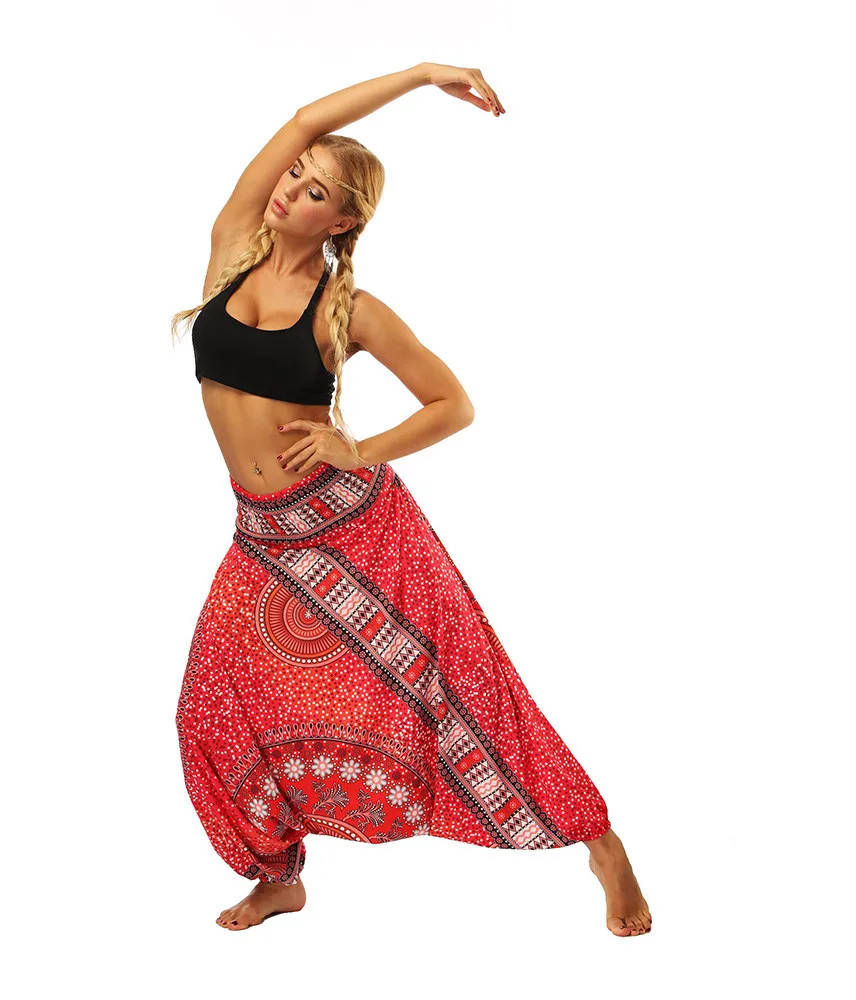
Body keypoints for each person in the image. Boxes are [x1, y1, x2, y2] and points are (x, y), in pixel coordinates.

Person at [170, 61, 652, 937]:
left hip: (359, 529)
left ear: (342, 222)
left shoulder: (348, 309)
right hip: (263, 536)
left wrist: (357, 450)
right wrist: (425, 73)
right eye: (294, 175)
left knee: (468, 692)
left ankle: (601, 843)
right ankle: (277, 875)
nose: (289, 191)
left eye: (315, 192)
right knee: (211, 706)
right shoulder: (231, 245)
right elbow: (302, 116)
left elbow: (451, 404)